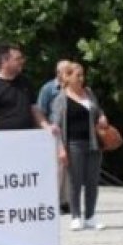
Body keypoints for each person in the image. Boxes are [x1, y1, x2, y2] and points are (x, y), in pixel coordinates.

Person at [50, 63, 109, 230]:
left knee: (92, 181)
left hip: (93, 142)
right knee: (75, 181)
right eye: (78, 75)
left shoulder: (89, 93)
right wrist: (61, 149)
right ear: (67, 77)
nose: (82, 79)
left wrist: (103, 116)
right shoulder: (61, 99)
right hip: (73, 144)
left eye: (83, 75)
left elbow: (98, 111)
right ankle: (75, 216)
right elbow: (56, 126)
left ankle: (90, 216)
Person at [0, 44, 54, 133]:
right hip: (5, 141)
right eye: (17, 59)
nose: (22, 61)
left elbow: (34, 109)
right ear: (4, 61)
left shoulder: (25, 82)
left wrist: (46, 127)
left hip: (28, 138)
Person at [39, 59, 72, 212]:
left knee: (69, 168)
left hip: (71, 131)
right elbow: (40, 111)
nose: (70, 75)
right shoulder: (48, 88)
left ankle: (67, 201)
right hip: (55, 131)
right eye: (67, 72)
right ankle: (54, 201)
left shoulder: (74, 88)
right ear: (58, 73)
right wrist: (46, 128)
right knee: (57, 168)